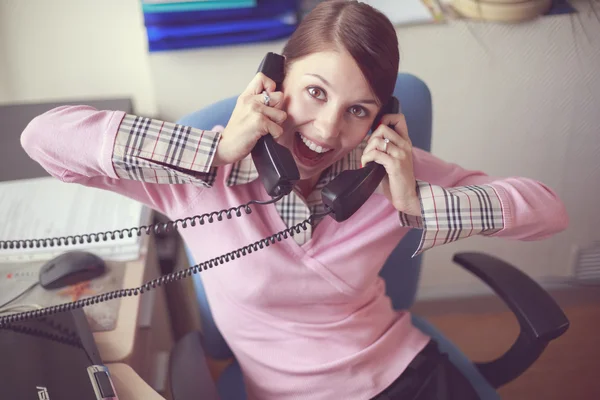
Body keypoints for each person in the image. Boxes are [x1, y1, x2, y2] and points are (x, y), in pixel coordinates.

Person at [20, 1, 567, 399]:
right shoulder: (194, 174)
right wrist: (217, 152)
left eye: (358, 109)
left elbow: (548, 210)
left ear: (380, 116)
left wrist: (418, 201)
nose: (328, 129)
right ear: (275, 81)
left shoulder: (390, 171)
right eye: (316, 92)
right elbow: (44, 138)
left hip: (404, 373)